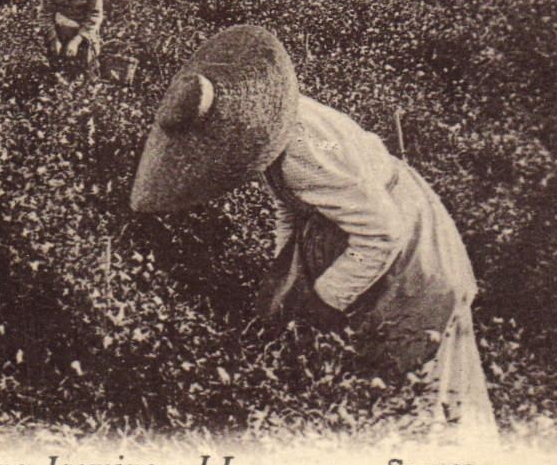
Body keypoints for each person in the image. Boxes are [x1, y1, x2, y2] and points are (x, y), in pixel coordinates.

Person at [130, 25, 497, 438]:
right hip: (367, 231)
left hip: (405, 254)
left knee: (420, 386)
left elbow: (382, 233)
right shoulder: (270, 128)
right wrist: (283, 276)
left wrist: (324, 299)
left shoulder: (299, 151)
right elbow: (288, 207)